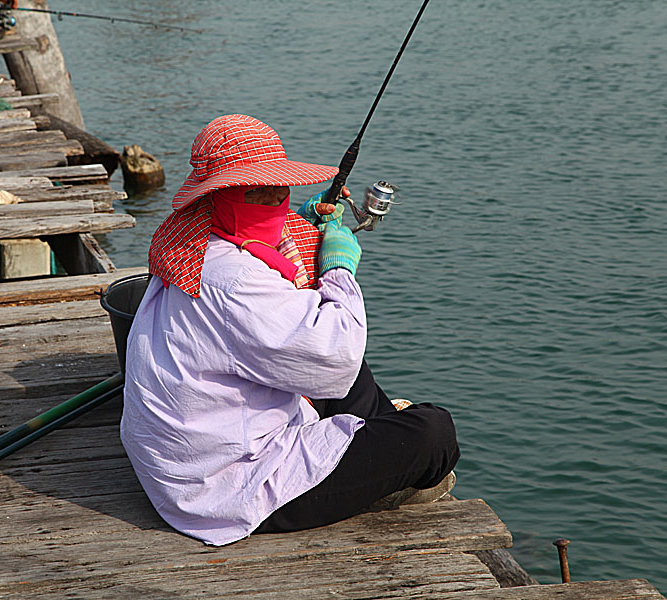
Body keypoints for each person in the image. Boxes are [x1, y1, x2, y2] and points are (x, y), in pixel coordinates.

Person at [120, 114, 459, 546]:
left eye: (280, 190)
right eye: (258, 193)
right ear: (220, 195)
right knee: (433, 433)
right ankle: (382, 469)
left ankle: (375, 434)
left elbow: (263, 250)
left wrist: (303, 221)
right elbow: (335, 352)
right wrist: (338, 268)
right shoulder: (236, 280)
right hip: (225, 486)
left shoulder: (191, 237)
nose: (275, 201)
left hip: (178, 461)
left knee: (347, 374)